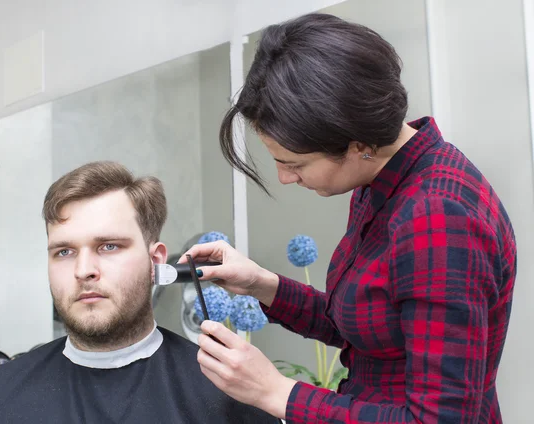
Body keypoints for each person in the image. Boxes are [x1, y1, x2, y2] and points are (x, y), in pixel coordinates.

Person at [181, 13, 517, 424]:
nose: (286, 178)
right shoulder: (381, 177)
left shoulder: (439, 221)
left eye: (294, 163)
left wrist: (277, 392)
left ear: (358, 144)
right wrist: (261, 284)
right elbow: (370, 330)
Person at [0, 161, 279, 423]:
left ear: (155, 261)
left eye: (109, 246)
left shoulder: (226, 399)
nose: (83, 269)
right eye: (64, 251)